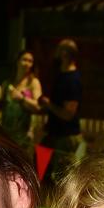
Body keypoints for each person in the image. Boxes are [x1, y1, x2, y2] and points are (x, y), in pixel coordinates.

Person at [39, 38, 82, 181]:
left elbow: (68, 114)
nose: (55, 54)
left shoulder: (73, 79)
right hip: (54, 134)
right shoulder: (61, 75)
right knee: (42, 171)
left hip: (65, 137)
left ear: (64, 53)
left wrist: (48, 104)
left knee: (62, 180)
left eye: (58, 50)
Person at [0, 50, 42, 156]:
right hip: (6, 134)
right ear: (17, 62)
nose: (27, 63)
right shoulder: (7, 83)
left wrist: (22, 98)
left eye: (30, 61)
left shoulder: (33, 82)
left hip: (24, 135)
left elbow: (38, 106)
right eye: (24, 60)